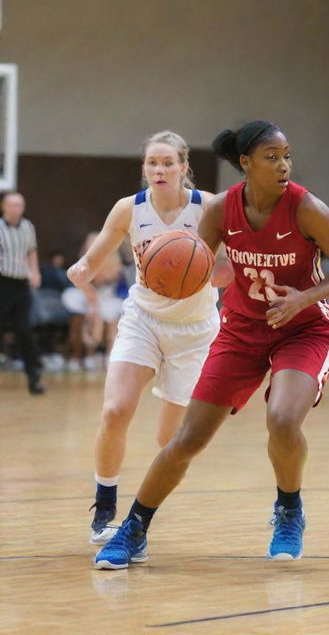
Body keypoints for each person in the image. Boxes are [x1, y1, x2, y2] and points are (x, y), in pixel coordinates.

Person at [93, 120, 329, 569]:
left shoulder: (306, 207)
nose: (283, 165)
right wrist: (172, 271)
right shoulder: (221, 210)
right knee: (188, 438)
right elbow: (197, 263)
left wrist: (305, 297)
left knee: (281, 418)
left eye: (286, 156)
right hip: (240, 329)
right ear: (245, 164)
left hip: (303, 328)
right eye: (271, 157)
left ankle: (289, 508)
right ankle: (133, 528)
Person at [67, 130, 220, 545]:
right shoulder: (128, 210)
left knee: (170, 441)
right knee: (116, 410)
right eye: (152, 162)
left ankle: (141, 517)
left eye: (169, 162)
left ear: (184, 167)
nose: (160, 169)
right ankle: (105, 499)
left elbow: (229, 272)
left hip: (194, 330)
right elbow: (91, 264)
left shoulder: (208, 208)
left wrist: (194, 269)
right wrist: (83, 280)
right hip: (143, 320)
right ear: (144, 169)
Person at [0, 192, 45, 394]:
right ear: (4, 207)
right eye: (12, 205)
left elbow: (31, 251)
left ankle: (34, 376)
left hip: (20, 286)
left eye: (19, 205)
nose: (16, 209)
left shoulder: (28, 227)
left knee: (24, 330)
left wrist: (34, 272)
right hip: (2, 283)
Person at [63, 232, 125, 371]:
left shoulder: (114, 260)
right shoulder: (83, 262)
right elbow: (83, 284)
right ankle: (78, 355)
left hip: (106, 297)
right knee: (80, 316)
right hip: (85, 295)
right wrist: (93, 306)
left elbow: (110, 282)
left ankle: (110, 355)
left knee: (111, 317)